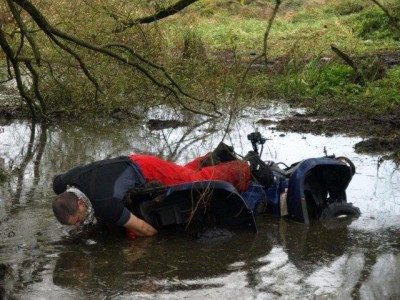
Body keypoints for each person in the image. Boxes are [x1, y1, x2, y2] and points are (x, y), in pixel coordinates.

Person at [52, 143, 274, 238]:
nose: (80, 224)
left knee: (192, 180)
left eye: (79, 219)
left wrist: (148, 249)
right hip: (126, 163)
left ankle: (245, 167)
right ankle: (216, 157)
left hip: (143, 168)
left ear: (81, 204)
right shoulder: (65, 184)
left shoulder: (104, 203)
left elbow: (144, 230)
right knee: (180, 174)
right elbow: (55, 181)